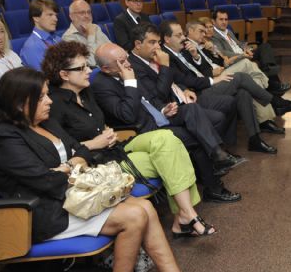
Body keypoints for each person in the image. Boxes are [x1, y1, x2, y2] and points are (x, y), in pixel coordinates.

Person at [0, 67, 215, 272]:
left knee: (146, 206)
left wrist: (66, 167)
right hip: (44, 212)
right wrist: (71, 165)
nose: (50, 100)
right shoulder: (6, 138)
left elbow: (82, 150)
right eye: (42, 96)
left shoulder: (46, 122)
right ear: (21, 103)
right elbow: (46, 182)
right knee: (135, 215)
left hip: (74, 196)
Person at [42, 41, 215, 238]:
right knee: (170, 151)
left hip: (116, 147)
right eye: (81, 68)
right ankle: (186, 218)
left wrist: (105, 132)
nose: (89, 71)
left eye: (87, 65)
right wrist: (94, 143)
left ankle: (185, 216)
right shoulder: (54, 104)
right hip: (96, 164)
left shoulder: (86, 91)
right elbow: (60, 150)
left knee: (167, 138)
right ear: (64, 75)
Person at [93, 42, 242, 203]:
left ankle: (217, 155)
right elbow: (127, 115)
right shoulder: (101, 85)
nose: (128, 64)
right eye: (121, 62)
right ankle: (214, 185)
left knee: (192, 109)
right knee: (196, 137)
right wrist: (130, 82)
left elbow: (150, 97)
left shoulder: (128, 70)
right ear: (106, 69)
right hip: (144, 131)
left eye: (126, 58)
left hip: (158, 117)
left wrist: (164, 109)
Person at [164, 20, 291, 134]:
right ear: (190, 31)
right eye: (201, 31)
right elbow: (191, 76)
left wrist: (203, 55)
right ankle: (273, 97)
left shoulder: (192, 47)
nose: (204, 33)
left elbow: (207, 65)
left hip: (216, 74)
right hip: (207, 85)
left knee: (246, 89)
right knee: (245, 68)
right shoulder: (178, 51)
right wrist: (211, 74)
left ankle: (262, 125)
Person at [210, 10, 291, 95]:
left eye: (226, 19)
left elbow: (239, 43)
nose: (224, 22)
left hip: (244, 54)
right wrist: (242, 55)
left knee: (265, 46)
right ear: (214, 21)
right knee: (261, 64)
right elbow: (223, 52)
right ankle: (275, 84)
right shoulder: (213, 35)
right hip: (236, 59)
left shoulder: (228, 31)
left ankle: (269, 67)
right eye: (221, 19)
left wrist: (246, 48)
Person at [62, 0, 111, 67]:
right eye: (82, 13)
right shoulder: (68, 37)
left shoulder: (95, 27)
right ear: (71, 16)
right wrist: (91, 35)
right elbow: (91, 62)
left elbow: (110, 48)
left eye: (89, 12)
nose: (87, 16)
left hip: (109, 66)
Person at [20, 0, 62, 70]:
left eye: (56, 15)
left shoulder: (57, 39)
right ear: (36, 18)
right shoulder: (32, 47)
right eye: (50, 15)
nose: (55, 19)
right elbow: (43, 78)